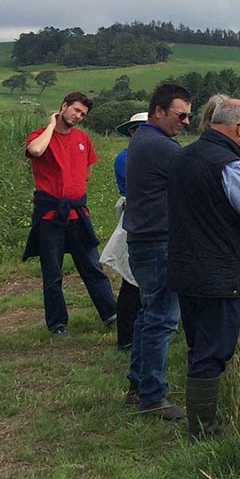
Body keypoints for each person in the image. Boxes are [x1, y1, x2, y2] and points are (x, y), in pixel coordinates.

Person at [167, 98, 240, 438]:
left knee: (198, 346)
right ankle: (203, 428)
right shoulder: (229, 165)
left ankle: (199, 418)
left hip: (185, 267)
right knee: (214, 351)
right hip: (221, 273)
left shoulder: (182, 156)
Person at [22, 91, 118, 337]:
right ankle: (58, 324)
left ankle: (112, 314)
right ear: (63, 106)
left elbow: (86, 173)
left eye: (83, 114)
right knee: (52, 273)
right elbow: (35, 151)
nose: (78, 116)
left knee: (92, 266)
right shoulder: (40, 135)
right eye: (75, 110)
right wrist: (52, 125)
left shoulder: (83, 138)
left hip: (77, 213)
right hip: (50, 215)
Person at [123, 83, 194, 418]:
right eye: (181, 115)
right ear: (159, 111)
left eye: (190, 116)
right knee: (162, 319)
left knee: (148, 316)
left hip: (144, 240)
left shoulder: (144, 140)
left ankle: (138, 387)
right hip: (157, 242)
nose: (186, 121)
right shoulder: (159, 145)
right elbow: (198, 170)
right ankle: (152, 397)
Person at [105, 110, 148, 352]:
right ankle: (126, 336)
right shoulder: (126, 158)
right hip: (135, 216)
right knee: (131, 278)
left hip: (145, 216)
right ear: (132, 132)